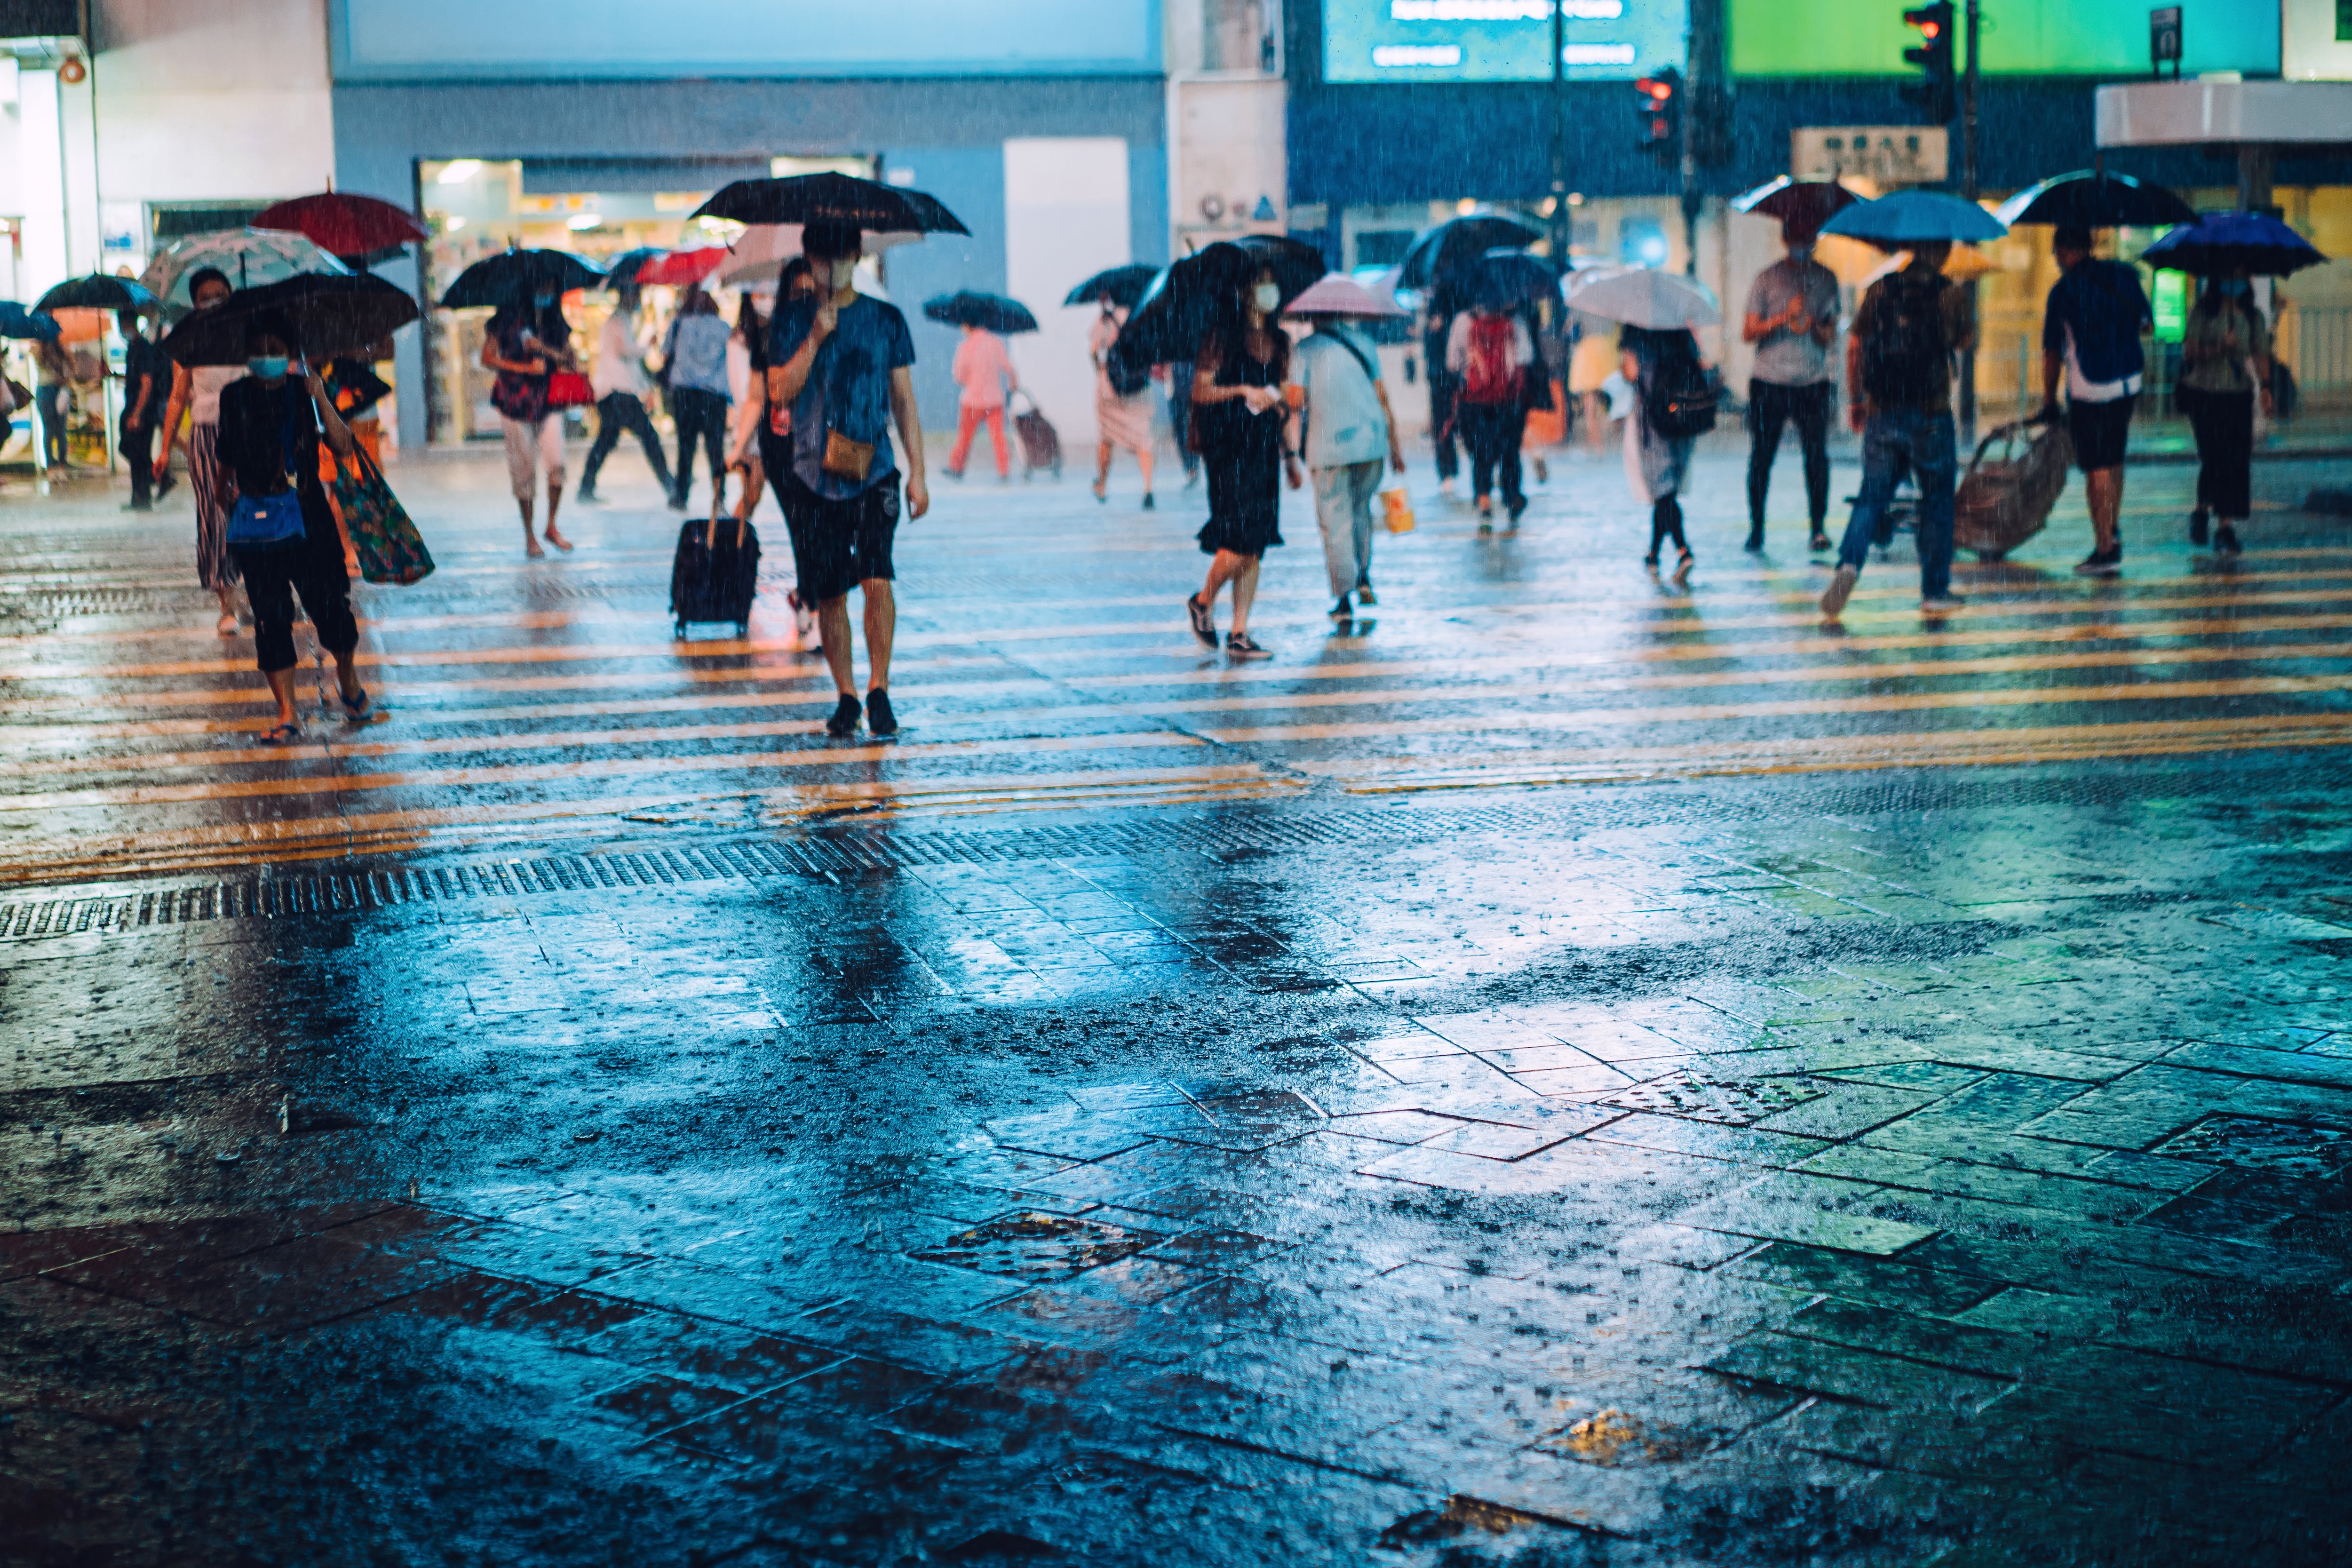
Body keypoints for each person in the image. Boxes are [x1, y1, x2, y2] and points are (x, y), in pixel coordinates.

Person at [767, 224, 927, 737]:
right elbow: (779, 391)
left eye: (839, 255)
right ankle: (847, 695)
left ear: (856, 255)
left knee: (877, 579)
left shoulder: (886, 320)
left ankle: (878, 688)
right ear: (808, 259)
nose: (829, 266)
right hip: (812, 476)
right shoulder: (792, 319)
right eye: (820, 257)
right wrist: (815, 337)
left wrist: (918, 473)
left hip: (875, 471)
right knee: (831, 592)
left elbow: (903, 400)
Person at [215, 313, 365, 744]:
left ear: (290, 354)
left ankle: (349, 680)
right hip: (257, 522)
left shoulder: (307, 391)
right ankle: (287, 711)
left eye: (275, 351)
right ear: (247, 356)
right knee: (270, 617)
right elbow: (226, 453)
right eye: (258, 351)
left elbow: (342, 445)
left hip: (309, 518)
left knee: (332, 606)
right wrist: (222, 492)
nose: (267, 358)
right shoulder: (234, 396)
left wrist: (321, 396)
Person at [1820, 240, 1976, 621]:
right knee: (1937, 502)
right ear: (1941, 252)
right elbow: (1967, 342)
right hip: (1931, 414)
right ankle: (1934, 590)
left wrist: (1856, 399)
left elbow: (1855, 346)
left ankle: (1849, 563)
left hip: (1884, 411)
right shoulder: (1951, 293)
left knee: (1872, 496)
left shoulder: (1881, 289)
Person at [1184, 266, 1291, 660]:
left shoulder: (1279, 340)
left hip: (1263, 445)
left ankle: (1240, 632)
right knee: (1238, 537)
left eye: (1271, 281)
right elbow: (1200, 390)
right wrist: (1241, 389)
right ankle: (1203, 600)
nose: (1270, 290)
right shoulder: (1221, 338)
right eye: (1262, 282)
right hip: (1228, 447)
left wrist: (1290, 451)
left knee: (1257, 540)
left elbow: (1284, 394)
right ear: (1245, 291)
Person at [2039, 224, 2152, 577]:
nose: (2057, 259)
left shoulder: (2064, 291)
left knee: (2097, 467)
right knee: (2115, 458)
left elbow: (2052, 353)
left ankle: (2104, 549)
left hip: (2090, 386)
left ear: (2068, 251)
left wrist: (2048, 399)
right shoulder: (2124, 275)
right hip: (2128, 381)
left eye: (2057, 252)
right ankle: (2113, 530)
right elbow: (2147, 326)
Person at [1289, 304, 1406, 621]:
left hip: (1328, 446)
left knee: (1334, 521)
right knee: (1360, 510)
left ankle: (1344, 599)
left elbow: (1295, 402)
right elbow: (1382, 396)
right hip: (1371, 442)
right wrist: (1395, 445)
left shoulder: (1304, 350)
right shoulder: (1364, 343)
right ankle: (1364, 575)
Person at [1742, 219, 1840, 551]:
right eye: (1798, 235)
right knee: (1762, 457)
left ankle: (1818, 527)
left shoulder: (1827, 279)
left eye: (1808, 235)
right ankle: (1757, 529)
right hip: (1769, 380)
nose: (1804, 241)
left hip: (1812, 380)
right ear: (1786, 238)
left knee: (1816, 456)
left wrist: (1814, 325)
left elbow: (1829, 335)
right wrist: (1783, 317)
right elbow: (1749, 331)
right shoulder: (1766, 278)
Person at [157, 267, 244, 633]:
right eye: (206, 296)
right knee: (215, 514)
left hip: (250, 430)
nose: (214, 301)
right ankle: (228, 604)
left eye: (220, 293)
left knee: (254, 509)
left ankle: (258, 585)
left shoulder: (247, 329)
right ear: (194, 303)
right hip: (207, 434)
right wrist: (164, 449)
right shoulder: (187, 340)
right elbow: (178, 397)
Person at [742, 258, 821, 642]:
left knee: (820, 532)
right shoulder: (772, 335)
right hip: (780, 449)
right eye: (799, 293)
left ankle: (811, 595)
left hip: (822, 448)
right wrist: (741, 447)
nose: (806, 301)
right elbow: (758, 396)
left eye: (813, 292)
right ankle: (810, 603)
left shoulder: (829, 332)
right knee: (802, 529)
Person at [2177, 272, 2273, 557]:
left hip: (2238, 394)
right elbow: (2189, 352)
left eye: (2244, 275)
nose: (2240, 280)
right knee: (2214, 457)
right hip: (2205, 394)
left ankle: (2224, 528)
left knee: (2234, 460)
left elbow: (2261, 352)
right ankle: (2202, 510)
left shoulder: (2252, 316)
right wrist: (2220, 346)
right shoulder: (2203, 313)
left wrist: (2267, 388)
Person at [481, 288, 576, 556]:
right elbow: (486, 358)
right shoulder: (504, 320)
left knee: (557, 463)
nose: (544, 292)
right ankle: (530, 536)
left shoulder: (555, 321)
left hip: (549, 400)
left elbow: (570, 358)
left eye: (549, 286)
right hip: (514, 401)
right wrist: (523, 368)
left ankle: (551, 526)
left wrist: (544, 349)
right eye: (539, 285)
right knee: (523, 470)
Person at [576, 283, 674, 503]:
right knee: (647, 437)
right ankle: (670, 485)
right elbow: (624, 352)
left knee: (607, 439)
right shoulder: (619, 321)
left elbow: (628, 362)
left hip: (614, 391)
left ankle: (586, 487)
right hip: (617, 391)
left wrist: (644, 388)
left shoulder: (622, 320)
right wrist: (647, 346)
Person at [1448, 286, 1534, 533]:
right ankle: (1511, 497)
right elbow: (1525, 358)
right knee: (1509, 451)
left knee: (1480, 452)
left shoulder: (1464, 321)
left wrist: (1474, 367)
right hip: (1508, 399)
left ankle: (1484, 503)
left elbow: (1452, 362)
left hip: (1474, 399)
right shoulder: (1515, 321)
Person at [1621, 325, 1702, 581]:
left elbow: (1631, 372)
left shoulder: (1635, 327)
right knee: (1666, 492)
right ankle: (1653, 554)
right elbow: (1699, 362)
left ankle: (1683, 550)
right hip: (1683, 416)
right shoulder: (1679, 324)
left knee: (1662, 492)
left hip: (1653, 417)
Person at [662, 285, 731, 513]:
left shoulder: (680, 324)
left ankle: (681, 497)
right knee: (716, 450)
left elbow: (666, 355)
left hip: (686, 395)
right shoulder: (724, 328)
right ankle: (720, 498)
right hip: (714, 396)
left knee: (686, 447)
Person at [1089, 299, 1156, 507]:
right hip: (1138, 388)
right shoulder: (1143, 318)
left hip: (1110, 388)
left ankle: (1101, 483)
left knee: (1107, 437)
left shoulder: (1105, 322)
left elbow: (1094, 352)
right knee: (1143, 438)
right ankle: (1148, 488)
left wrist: (1102, 367)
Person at [946, 320, 1017, 482]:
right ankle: (1004, 471)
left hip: (972, 400)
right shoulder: (995, 343)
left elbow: (959, 377)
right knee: (999, 438)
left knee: (964, 437)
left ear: (968, 325)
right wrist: (1012, 385)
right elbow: (1009, 368)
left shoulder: (966, 346)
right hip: (995, 400)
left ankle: (956, 467)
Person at [118, 308, 166, 511]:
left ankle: (143, 496)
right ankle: (140, 495)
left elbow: (146, 383)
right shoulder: (133, 348)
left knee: (138, 453)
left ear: (130, 324)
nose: (122, 330)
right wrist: (113, 375)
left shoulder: (143, 349)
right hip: (134, 407)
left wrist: (138, 413)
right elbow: (135, 380)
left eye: (122, 325)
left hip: (143, 411)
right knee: (135, 453)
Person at [1422, 280, 1465, 495]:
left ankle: (1448, 472)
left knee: (1445, 425)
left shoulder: (1442, 300)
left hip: (1446, 375)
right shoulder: (1461, 299)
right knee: (1457, 425)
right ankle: (1451, 471)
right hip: (1453, 375)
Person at [1164, 357, 1201, 486]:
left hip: (1191, 382)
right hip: (1175, 387)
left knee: (1191, 427)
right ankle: (1191, 468)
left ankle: (1193, 467)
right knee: (1179, 430)